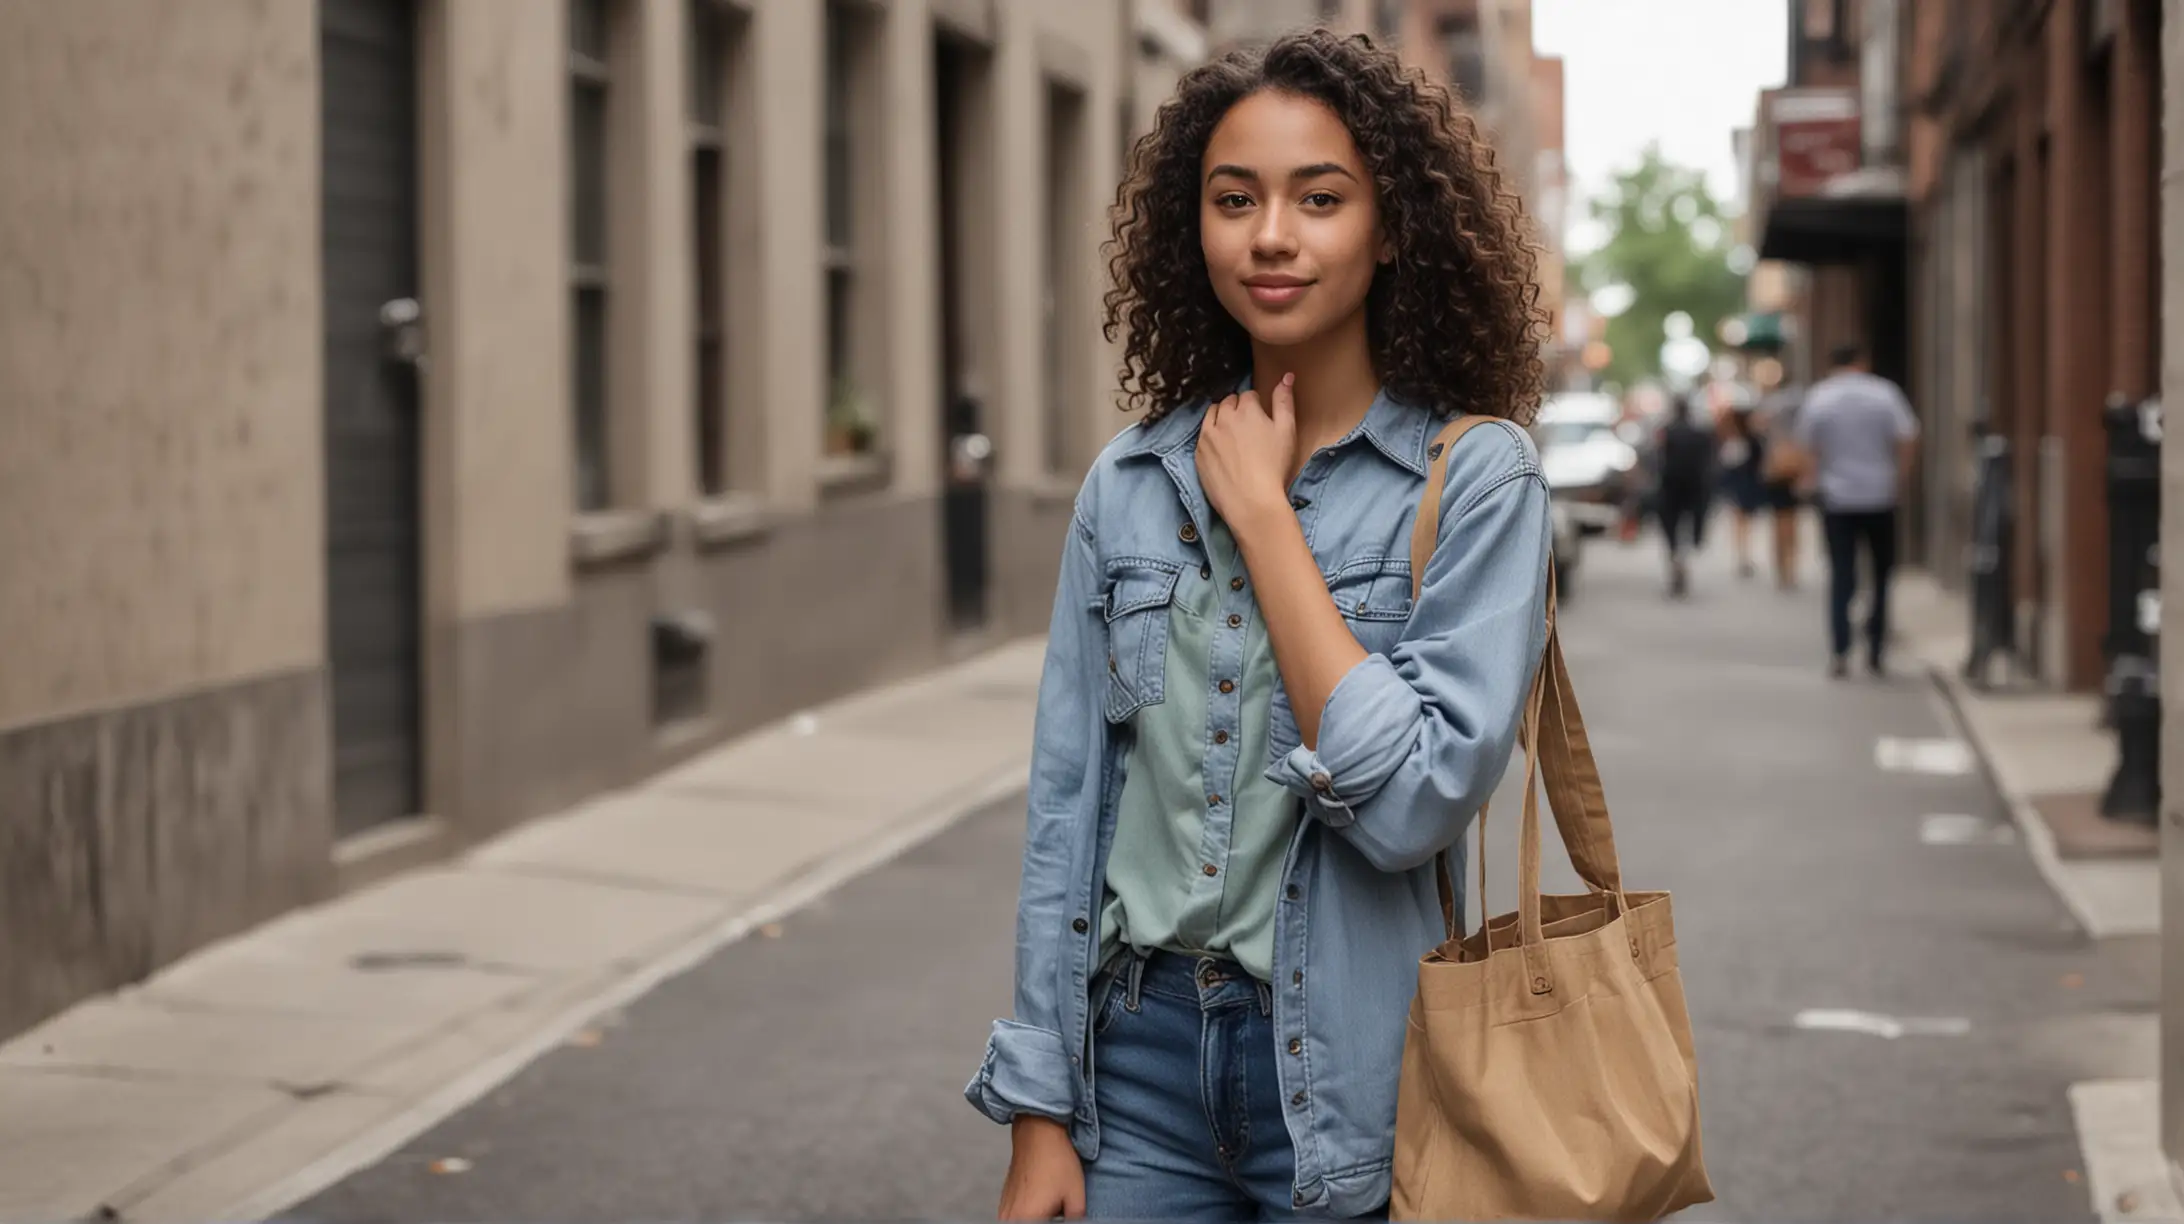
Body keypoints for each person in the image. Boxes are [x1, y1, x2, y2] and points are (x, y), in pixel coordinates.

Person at [966, 29, 1552, 1222]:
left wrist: (1268, 524)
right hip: (1134, 1077)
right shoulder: (1130, 483)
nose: (1271, 235)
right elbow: (1067, 809)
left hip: (1356, 1078)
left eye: (1319, 198)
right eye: (1234, 200)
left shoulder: (1479, 480)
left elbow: (1415, 802)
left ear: (1392, 229)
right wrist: (1039, 1109)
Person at [1793, 344, 1919, 677]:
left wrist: (1812, 478)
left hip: (1837, 498)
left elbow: (1807, 447)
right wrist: (1899, 479)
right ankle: (1876, 649)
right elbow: (1907, 437)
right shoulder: (1885, 394)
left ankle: (1840, 650)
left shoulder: (1820, 397)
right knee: (1881, 575)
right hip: (1880, 495)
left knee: (1841, 574)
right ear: (1862, 363)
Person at [1653, 394, 1716, 598]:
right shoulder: (1700, 433)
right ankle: (1682, 557)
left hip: (1671, 487)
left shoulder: (1667, 432)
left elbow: (1658, 459)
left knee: (1671, 528)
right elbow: (1709, 461)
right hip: (1694, 488)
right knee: (1690, 528)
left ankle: (1675, 558)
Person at [1756, 381, 1808, 589]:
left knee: (1779, 521)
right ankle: (1790, 567)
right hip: (1794, 468)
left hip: (1776, 469)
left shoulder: (1769, 406)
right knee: (1791, 521)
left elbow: (1757, 427)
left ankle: (1782, 567)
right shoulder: (1801, 404)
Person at [1715, 402, 1769, 579]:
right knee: (1744, 523)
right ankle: (1744, 556)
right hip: (1745, 487)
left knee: (1741, 523)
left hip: (1743, 486)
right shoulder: (1748, 440)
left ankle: (1743, 555)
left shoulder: (1742, 441)